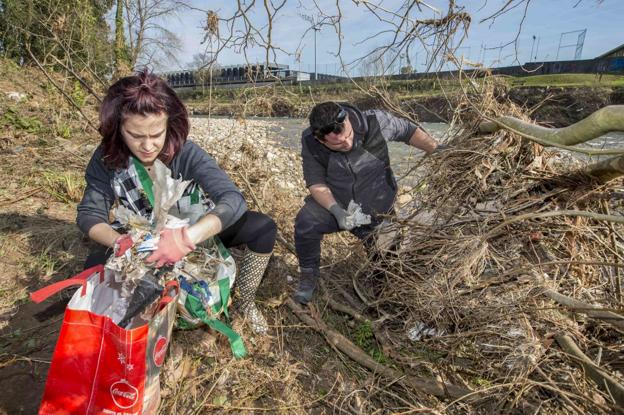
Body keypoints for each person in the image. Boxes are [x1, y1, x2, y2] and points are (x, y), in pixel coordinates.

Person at [76, 69, 276, 334]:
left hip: (193, 228)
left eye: (156, 134)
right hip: (141, 237)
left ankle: (245, 303)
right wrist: (121, 242)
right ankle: (137, 322)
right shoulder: (107, 158)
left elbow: (232, 199)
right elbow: (89, 214)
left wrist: (186, 238)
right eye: (136, 136)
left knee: (263, 227)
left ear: (169, 125)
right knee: (94, 268)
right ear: (118, 129)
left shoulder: (185, 152)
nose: (148, 146)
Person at [293, 101, 442, 304]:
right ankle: (308, 276)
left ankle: (381, 297)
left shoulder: (374, 121)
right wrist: (336, 211)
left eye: (348, 135)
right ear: (321, 140)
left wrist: (439, 151)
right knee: (306, 221)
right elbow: (316, 183)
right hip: (339, 205)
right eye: (337, 143)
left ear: (347, 120)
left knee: (386, 268)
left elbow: (409, 131)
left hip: (378, 208)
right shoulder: (310, 141)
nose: (346, 143)